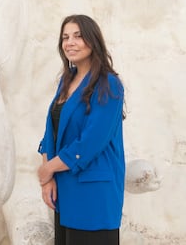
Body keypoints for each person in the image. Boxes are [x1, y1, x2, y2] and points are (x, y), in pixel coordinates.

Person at [37, 14, 125, 245]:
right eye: (65, 37)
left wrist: (48, 169)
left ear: (92, 40)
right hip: (65, 190)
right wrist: (48, 178)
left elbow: (91, 142)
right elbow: (51, 132)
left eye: (78, 36)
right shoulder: (66, 81)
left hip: (93, 193)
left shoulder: (108, 83)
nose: (70, 42)